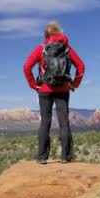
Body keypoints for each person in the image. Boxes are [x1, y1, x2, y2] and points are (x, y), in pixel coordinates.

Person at [23, 21, 85, 164]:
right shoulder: (67, 49)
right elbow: (81, 66)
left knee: (45, 122)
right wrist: (74, 84)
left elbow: (26, 67)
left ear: (46, 35)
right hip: (63, 89)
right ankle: (66, 156)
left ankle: (42, 157)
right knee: (64, 122)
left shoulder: (41, 49)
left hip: (44, 90)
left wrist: (34, 85)